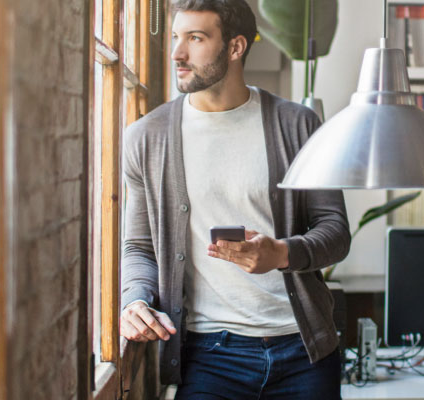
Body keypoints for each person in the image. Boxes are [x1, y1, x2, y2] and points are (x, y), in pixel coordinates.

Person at [118, 0, 350, 398]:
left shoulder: (296, 125)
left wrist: (280, 254)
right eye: (176, 37)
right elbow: (139, 247)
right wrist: (134, 300)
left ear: (236, 47)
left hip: (303, 351)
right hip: (209, 357)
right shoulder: (147, 137)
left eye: (195, 38)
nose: (177, 53)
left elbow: (336, 232)